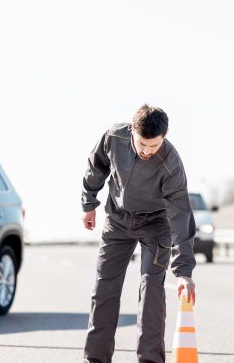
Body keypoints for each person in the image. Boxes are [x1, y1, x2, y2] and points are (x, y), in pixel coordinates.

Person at [81, 104, 197, 363]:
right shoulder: (114, 136)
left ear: (164, 136)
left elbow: (181, 217)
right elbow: (96, 166)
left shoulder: (171, 164)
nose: (146, 151)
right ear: (132, 131)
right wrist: (89, 203)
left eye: (153, 146)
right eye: (142, 144)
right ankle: (96, 360)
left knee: (152, 289)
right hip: (117, 221)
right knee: (104, 289)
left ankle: (149, 360)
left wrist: (184, 273)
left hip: (156, 227)